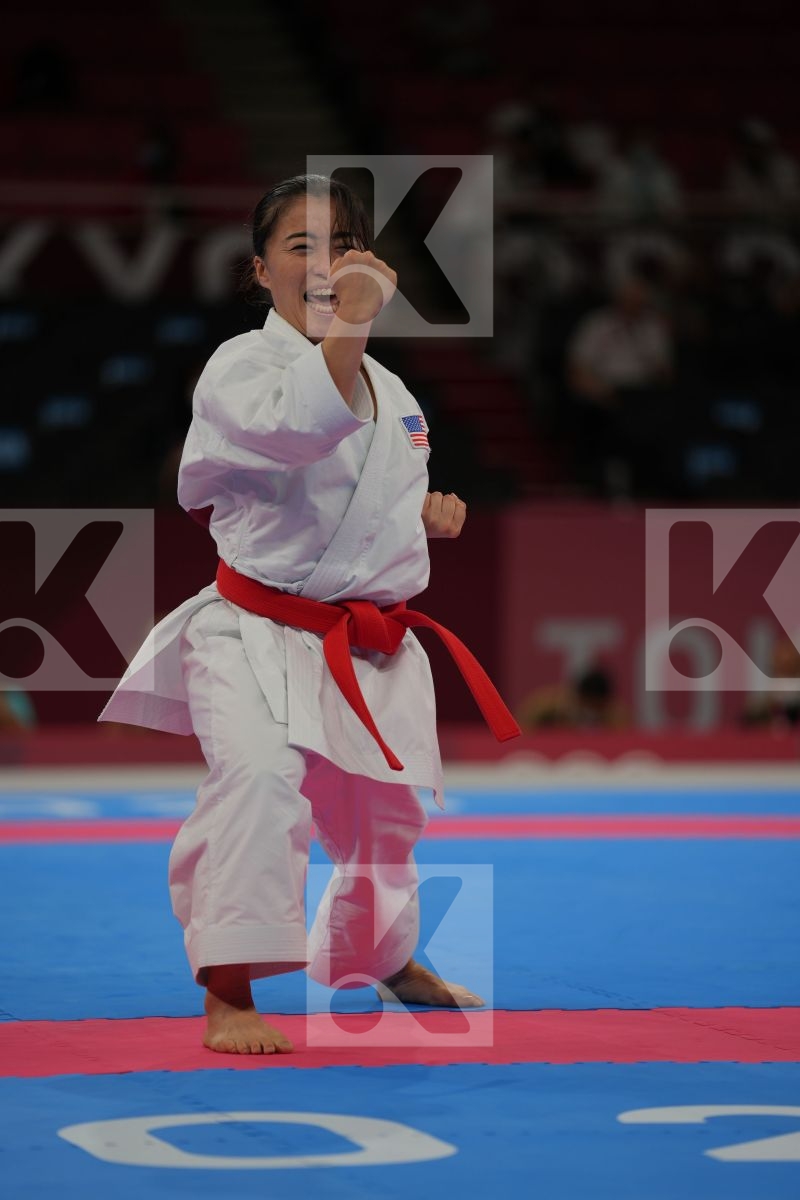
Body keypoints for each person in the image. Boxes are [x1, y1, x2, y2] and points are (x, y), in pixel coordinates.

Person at [98, 174, 518, 1055]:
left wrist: (426, 524)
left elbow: (366, 526)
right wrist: (354, 319)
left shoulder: (397, 395)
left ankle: (382, 958)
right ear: (260, 270)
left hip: (367, 641)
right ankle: (229, 987)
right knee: (256, 783)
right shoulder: (238, 368)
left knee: (388, 818)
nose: (325, 264)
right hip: (253, 633)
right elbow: (298, 429)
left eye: (343, 247)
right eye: (302, 247)